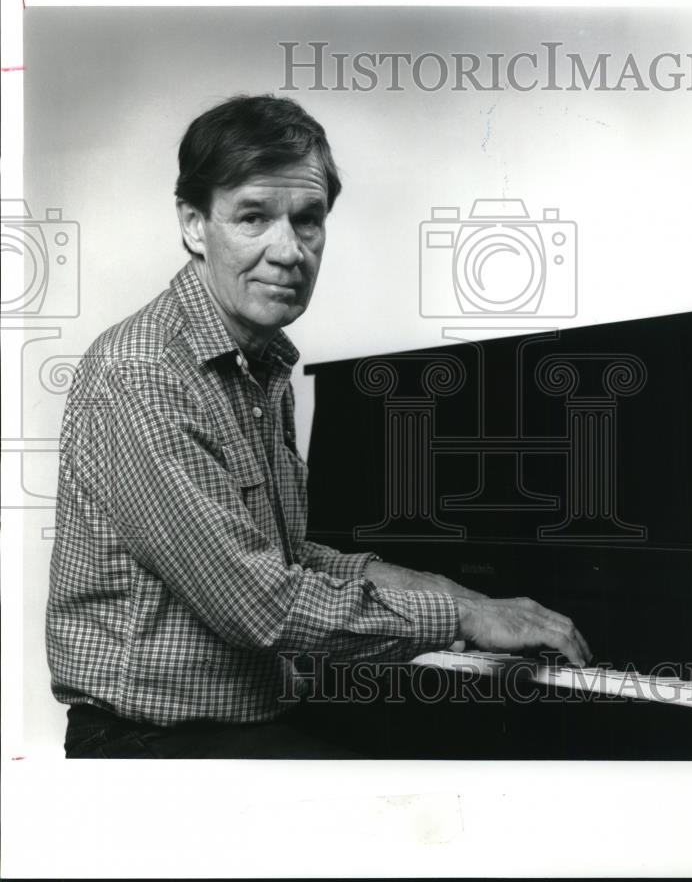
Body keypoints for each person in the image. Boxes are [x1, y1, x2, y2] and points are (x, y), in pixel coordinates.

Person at [46, 94, 591, 759]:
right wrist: (465, 617)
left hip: (246, 722)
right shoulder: (145, 373)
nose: (289, 250)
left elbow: (289, 556)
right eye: (253, 217)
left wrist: (452, 590)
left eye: (308, 221)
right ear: (194, 224)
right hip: (146, 744)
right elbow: (259, 604)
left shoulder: (258, 362)